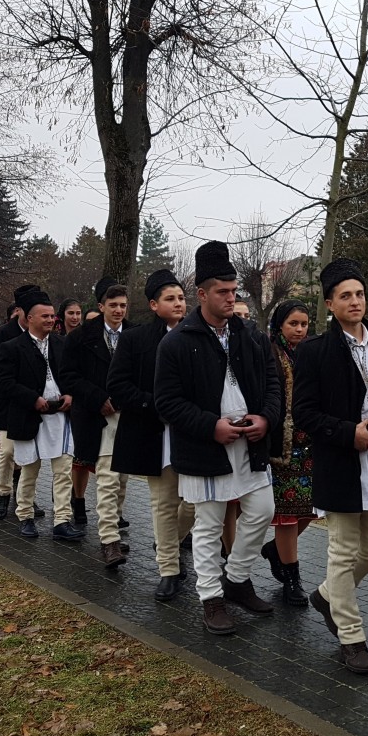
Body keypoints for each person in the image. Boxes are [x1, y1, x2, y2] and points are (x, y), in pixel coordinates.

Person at [155, 241, 282, 634]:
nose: (231, 298)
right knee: (208, 526)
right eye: (223, 292)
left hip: (250, 443)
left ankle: (237, 579)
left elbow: (274, 382)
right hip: (204, 446)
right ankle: (211, 599)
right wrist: (211, 426)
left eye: (234, 290)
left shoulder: (250, 335)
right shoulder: (177, 341)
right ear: (202, 294)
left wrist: (266, 418)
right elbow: (167, 402)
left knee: (262, 509)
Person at [292, 258, 368, 675]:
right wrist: (348, 433)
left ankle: (327, 596)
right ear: (330, 303)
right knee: (342, 552)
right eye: (345, 295)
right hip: (342, 461)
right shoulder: (315, 351)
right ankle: (351, 637)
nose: (355, 301)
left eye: (359, 294)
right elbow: (305, 413)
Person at [108, 269, 195, 601]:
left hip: (191, 431)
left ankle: (169, 542)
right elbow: (117, 386)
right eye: (170, 299)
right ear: (154, 305)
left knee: (194, 502)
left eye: (181, 298)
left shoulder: (197, 336)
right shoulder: (135, 340)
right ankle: (168, 570)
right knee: (163, 502)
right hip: (153, 432)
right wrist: (152, 403)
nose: (178, 303)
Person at [0, 289, 82, 541]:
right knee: (29, 470)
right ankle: (25, 515)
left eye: (53, 316)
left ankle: (62, 520)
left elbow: (74, 376)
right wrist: (32, 399)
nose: (50, 320)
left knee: (63, 470)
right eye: (44, 316)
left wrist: (71, 395)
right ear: (29, 318)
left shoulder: (63, 344)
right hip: (28, 416)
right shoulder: (12, 347)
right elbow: (3, 382)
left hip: (60, 417)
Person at [62, 278, 133, 567]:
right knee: (106, 476)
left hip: (128, 416)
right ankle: (108, 540)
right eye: (113, 305)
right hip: (97, 416)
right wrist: (97, 398)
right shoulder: (80, 337)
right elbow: (68, 376)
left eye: (123, 306)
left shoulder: (134, 335)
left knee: (123, 480)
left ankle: (113, 526)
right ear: (101, 306)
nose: (118, 311)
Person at [260, 299, 317, 607]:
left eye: (304, 324)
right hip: (283, 445)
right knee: (287, 515)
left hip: (311, 443)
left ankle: (274, 550)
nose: (299, 330)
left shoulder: (309, 353)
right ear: (279, 325)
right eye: (293, 324)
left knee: (309, 510)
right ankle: (292, 578)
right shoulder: (269, 354)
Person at [0, 285, 44, 520]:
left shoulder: (43, 336)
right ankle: (3, 493)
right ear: (19, 311)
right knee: (7, 452)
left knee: (30, 456)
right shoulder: (0, 336)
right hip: (7, 404)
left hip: (34, 405)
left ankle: (25, 496)